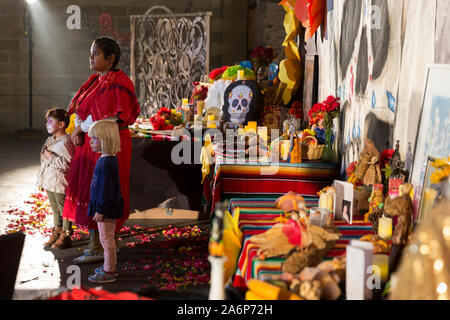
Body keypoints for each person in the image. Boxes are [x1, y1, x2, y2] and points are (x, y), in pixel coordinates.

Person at [63, 37, 140, 264]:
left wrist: (80, 127)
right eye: (91, 53)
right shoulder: (96, 80)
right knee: (91, 189)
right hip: (91, 144)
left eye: (95, 53)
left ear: (111, 57)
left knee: (104, 191)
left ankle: (103, 247)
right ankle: (98, 244)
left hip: (108, 144)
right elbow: (82, 110)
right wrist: (78, 128)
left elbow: (112, 117)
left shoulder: (120, 82)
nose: (90, 57)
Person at [86, 120, 123, 284]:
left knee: (106, 239)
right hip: (104, 206)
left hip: (105, 208)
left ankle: (109, 270)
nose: (90, 142)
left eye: (94, 139)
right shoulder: (106, 159)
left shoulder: (107, 162)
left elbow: (106, 190)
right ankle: (109, 266)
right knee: (106, 238)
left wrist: (100, 209)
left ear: (105, 140)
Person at [37, 108, 75, 249]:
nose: (47, 124)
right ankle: (57, 231)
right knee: (55, 209)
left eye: (50, 121)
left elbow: (68, 164)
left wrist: (52, 157)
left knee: (63, 209)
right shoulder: (51, 139)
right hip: (50, 181)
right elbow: (44, 162)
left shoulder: (66, 141)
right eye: (47, 121)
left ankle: (66, 235)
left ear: (61, 125)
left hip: (60, 182)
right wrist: (41, 181)